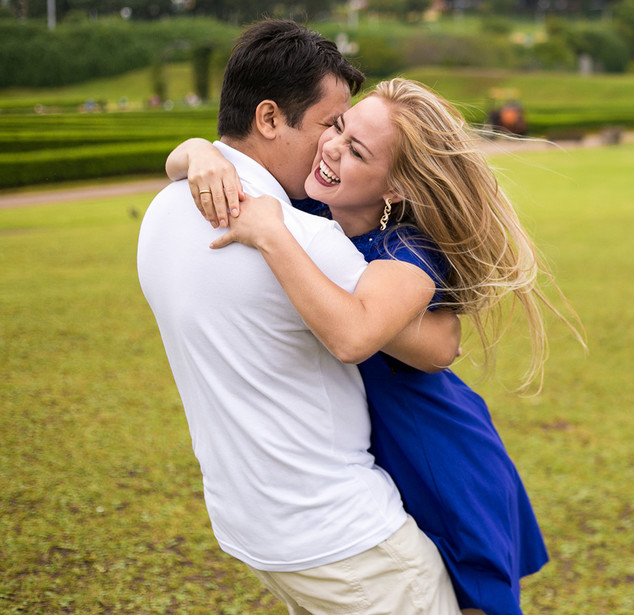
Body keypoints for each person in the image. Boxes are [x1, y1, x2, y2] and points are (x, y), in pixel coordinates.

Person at [169, 77, 583, 615]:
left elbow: (353, 337)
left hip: (432, 452)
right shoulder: (314, 210)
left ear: (394, 189)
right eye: (337, 126)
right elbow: (182, 160)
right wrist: (200, 152)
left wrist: (272, 235)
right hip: (368, 453)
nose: (332, 148)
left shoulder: (405, 251)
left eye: (357, 151)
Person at [138, 21, 462, 615]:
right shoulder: (307, 237)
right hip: (346, 535)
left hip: (251, 527)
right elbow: (438, 345)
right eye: (328, 125)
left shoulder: (159, 215)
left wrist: (195, 151)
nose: (330, 145)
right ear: (268, 118)